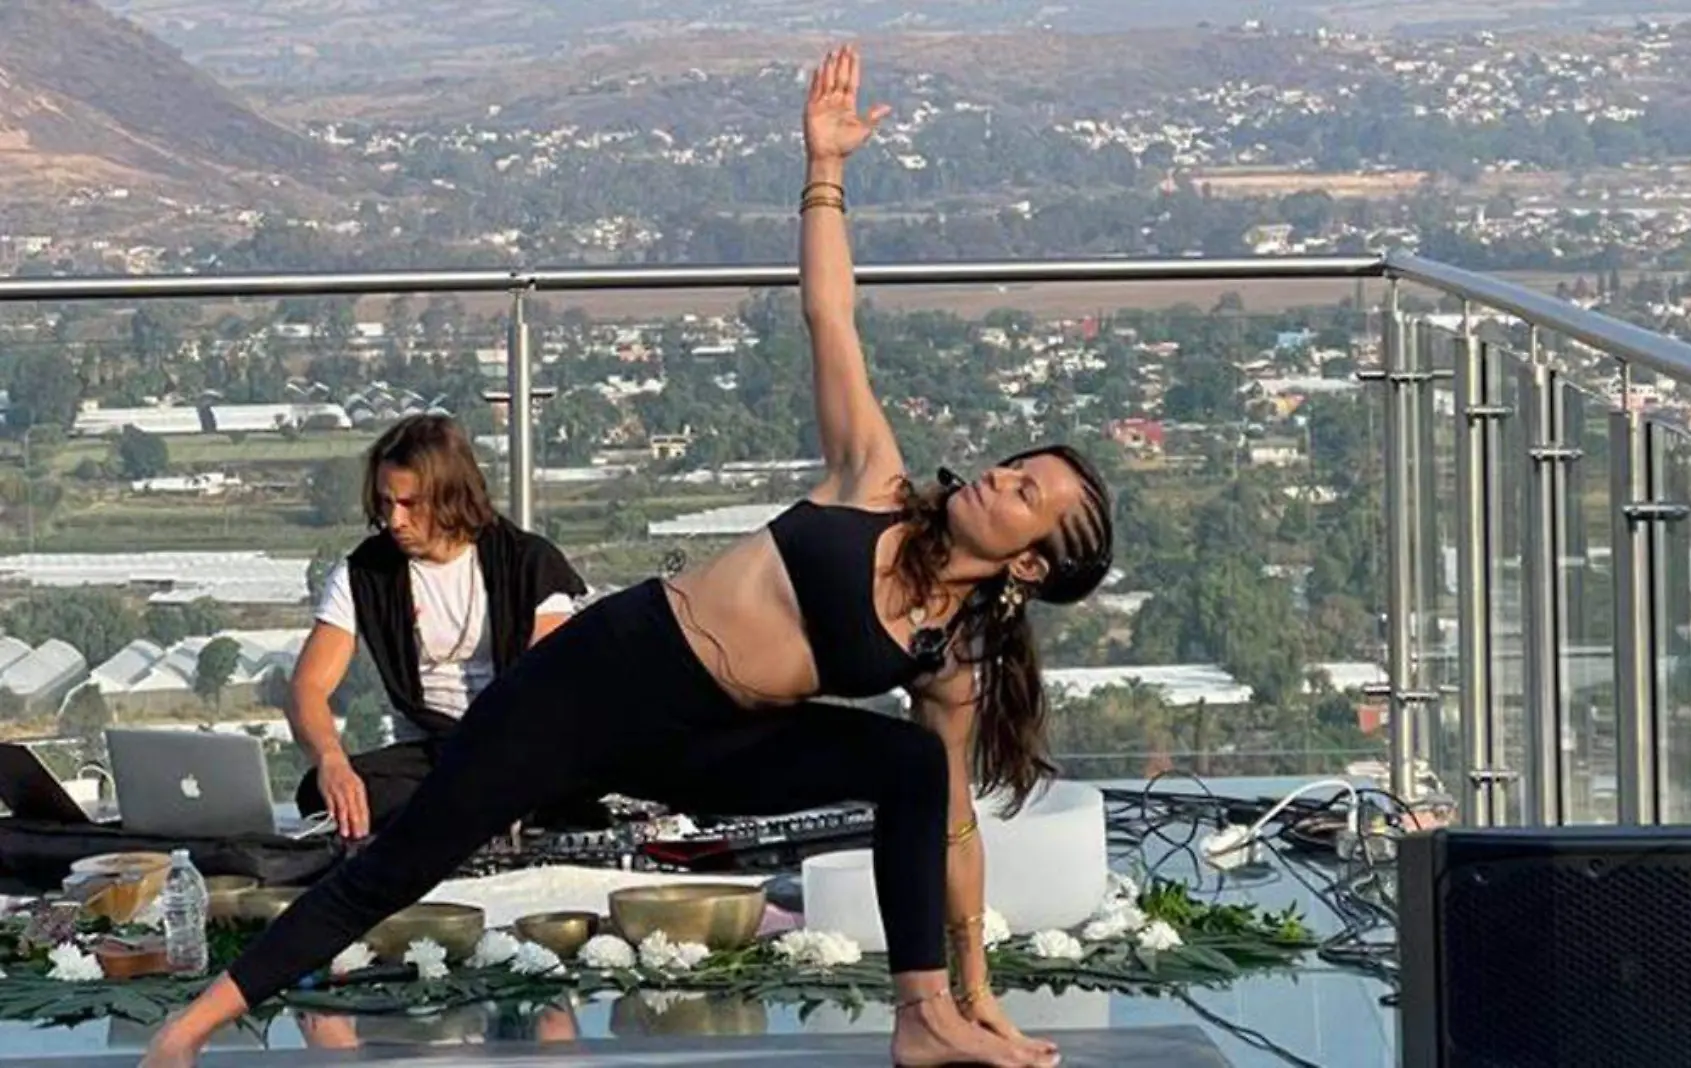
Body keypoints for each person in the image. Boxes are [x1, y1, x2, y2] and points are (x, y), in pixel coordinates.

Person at [143, 45, 1109, 1068]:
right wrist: (824, 170)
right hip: (604, 676)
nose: (1001, 476)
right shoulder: (873, 481)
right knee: (412, 854)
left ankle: (925, 1021)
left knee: (915, 767)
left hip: (714, 744)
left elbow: (950, 828)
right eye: (1014, 465)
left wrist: (977, 983)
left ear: (1032, 566)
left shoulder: (947, 656)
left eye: (1026, 492)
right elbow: (831, 315)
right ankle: (191, 1029)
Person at [289, 413, 593, 839]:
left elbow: (547, 688)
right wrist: (331, 761)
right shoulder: (365, 573)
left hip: (518, 746)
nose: (395, 520)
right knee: (323, 796)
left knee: (569, 782)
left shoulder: (529, 563)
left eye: (410, 504)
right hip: (427, 756)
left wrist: (504, 767)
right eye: (385, 502)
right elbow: (308, 687)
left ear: (450, 496)